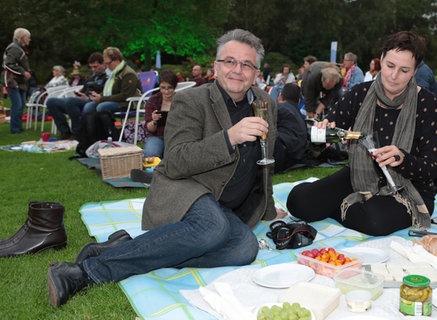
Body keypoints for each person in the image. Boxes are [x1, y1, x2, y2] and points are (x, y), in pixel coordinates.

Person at [47, 28, 286, 308]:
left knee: (244, 249)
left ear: (256, 72)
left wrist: (268, 208)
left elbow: (264, 161)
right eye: (230, 61)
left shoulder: (265, 103)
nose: (237, 70)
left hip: (227, 206)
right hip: (187, 187)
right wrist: (229, 138)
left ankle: (127, 247)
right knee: (212, 228)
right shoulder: (191, 100)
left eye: (246, 64)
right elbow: (175, 160)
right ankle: (82, 273)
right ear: (216, 66)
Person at [286, 31, 437, 236]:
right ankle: (352, 207)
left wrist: (402, 159)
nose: (394, 76)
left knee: (374, 221)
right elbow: (323, 139)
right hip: (358, 176)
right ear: (382, 59)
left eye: (404, 70)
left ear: (414, 71)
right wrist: (322, 135)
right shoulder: (360, 93)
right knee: (299, 202)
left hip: (407, 188)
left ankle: (342, 207)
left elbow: (431, 169)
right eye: (390, 66)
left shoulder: (428, 105)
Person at [46, 52, 107, 139]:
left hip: (93, 102)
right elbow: (83, 91)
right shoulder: (91, 77)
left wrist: (88, 98)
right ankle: (65, 132)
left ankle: (78, 132)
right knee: (51, 101)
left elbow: (105, 94)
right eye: (91, 67)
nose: (93, 69)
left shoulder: (107, 77)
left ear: (103, 64)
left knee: (71, 101)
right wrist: (79, 95)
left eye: (95, 66)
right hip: (80, 101)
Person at [83, 47, 141, 114]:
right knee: (89, 106)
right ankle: (91, 124)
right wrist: (98, 96)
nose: (107, 66)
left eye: (108, 63)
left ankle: (107, 124)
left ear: (117, 60)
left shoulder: (128, 73)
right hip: (113, 101)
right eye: (105, 64)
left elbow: (125, 96)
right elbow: (108, 91)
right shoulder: (111, 73)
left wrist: (101, 98)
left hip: (127, 104)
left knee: (102, 107)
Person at [1, 27, 32, 134]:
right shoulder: (14, 48)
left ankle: (18, 127)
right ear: (22, 38)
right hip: (12, 80)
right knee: (17, 104)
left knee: (22, 103)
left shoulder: (20, 48)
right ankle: (14, 129)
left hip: (20, 81)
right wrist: (24, 72)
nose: (29, 39)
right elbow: (8, 64)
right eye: (28, 37)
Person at [142, 70, 178, 158]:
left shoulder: (181, 100)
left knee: (176, 156)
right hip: (157, 136)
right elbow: (149, 128)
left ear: (175, 87)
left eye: (169, 88)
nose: (166, 91)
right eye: (163, 88)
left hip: (176, 136)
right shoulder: (153, 101)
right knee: (150, 153)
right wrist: (154, 121)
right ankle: (153, 171)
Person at [274, 83, 308, 173]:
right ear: (299, 101)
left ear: (280, 96)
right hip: (298, 156)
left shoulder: (279, 108)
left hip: (283, 158)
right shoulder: (299, 115)